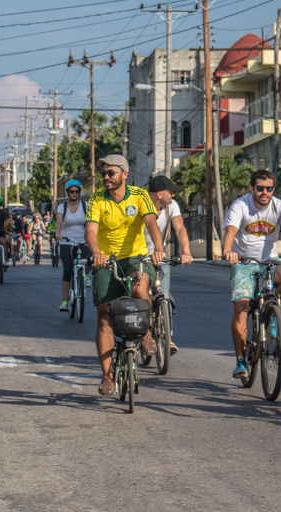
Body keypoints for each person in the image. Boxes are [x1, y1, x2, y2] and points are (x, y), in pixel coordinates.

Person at [222, 169, 281, 381]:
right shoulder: (241, 205)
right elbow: (230, 231)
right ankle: (240, 360)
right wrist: (228, 250)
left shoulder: (280, 206)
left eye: (269, 188)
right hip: (244, 262)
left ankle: (274, 311)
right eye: (260, 188)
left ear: (273, 189)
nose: (265, 192)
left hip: (270, 261)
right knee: (241, 308)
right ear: (252, 189)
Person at [84, 155, 165, 396]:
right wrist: (96, 252)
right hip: (106, 260)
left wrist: (159, 249)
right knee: (104, 315)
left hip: (135, 257)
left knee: (141, 287)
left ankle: (146, 333)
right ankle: (107, 376)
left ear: (124, 174)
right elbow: (90, 229)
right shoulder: (97, 200)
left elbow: (151, 223)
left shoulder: (140, 196)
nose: (106, 177)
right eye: (104, 173)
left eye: (111, 172)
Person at [145, 175, 194, 355]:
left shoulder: (171, 206)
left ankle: (168, 337)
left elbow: (180, 228)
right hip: (139, 255)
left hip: (161, 255)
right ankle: (143, 334)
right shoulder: (141, 205)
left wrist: (186, 251)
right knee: (139, 294)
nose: (173, 194)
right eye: (170, 191)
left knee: (164, 296)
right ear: (159, 194)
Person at [55, 179, 90, 312]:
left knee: (93, 258)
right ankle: (65, 301)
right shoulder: (62, 207)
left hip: (83, 240)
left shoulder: (85, 206)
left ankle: (85, 275)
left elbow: (92, 223)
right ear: (68, 193)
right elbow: (59, 222)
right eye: (72, 191)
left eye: (76, 191)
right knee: (68, 270)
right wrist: (58, 233)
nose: (74, 193)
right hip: (67, 241)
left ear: (79, 192)